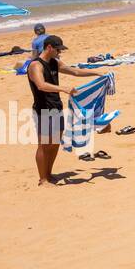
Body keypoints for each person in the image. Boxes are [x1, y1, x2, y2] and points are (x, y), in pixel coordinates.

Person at [27, 35, 94, 185]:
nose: (60, 53)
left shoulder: (54, 63)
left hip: (56, 107)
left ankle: (49, 174)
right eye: (58, 50)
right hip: (43, 110)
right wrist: (63, 88)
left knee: (55, 143)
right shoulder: (35, 65)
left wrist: (98, 73)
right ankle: (43, 178)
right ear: (49, 47)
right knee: (44, 145)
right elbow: (41, 85)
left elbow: (74, 71)